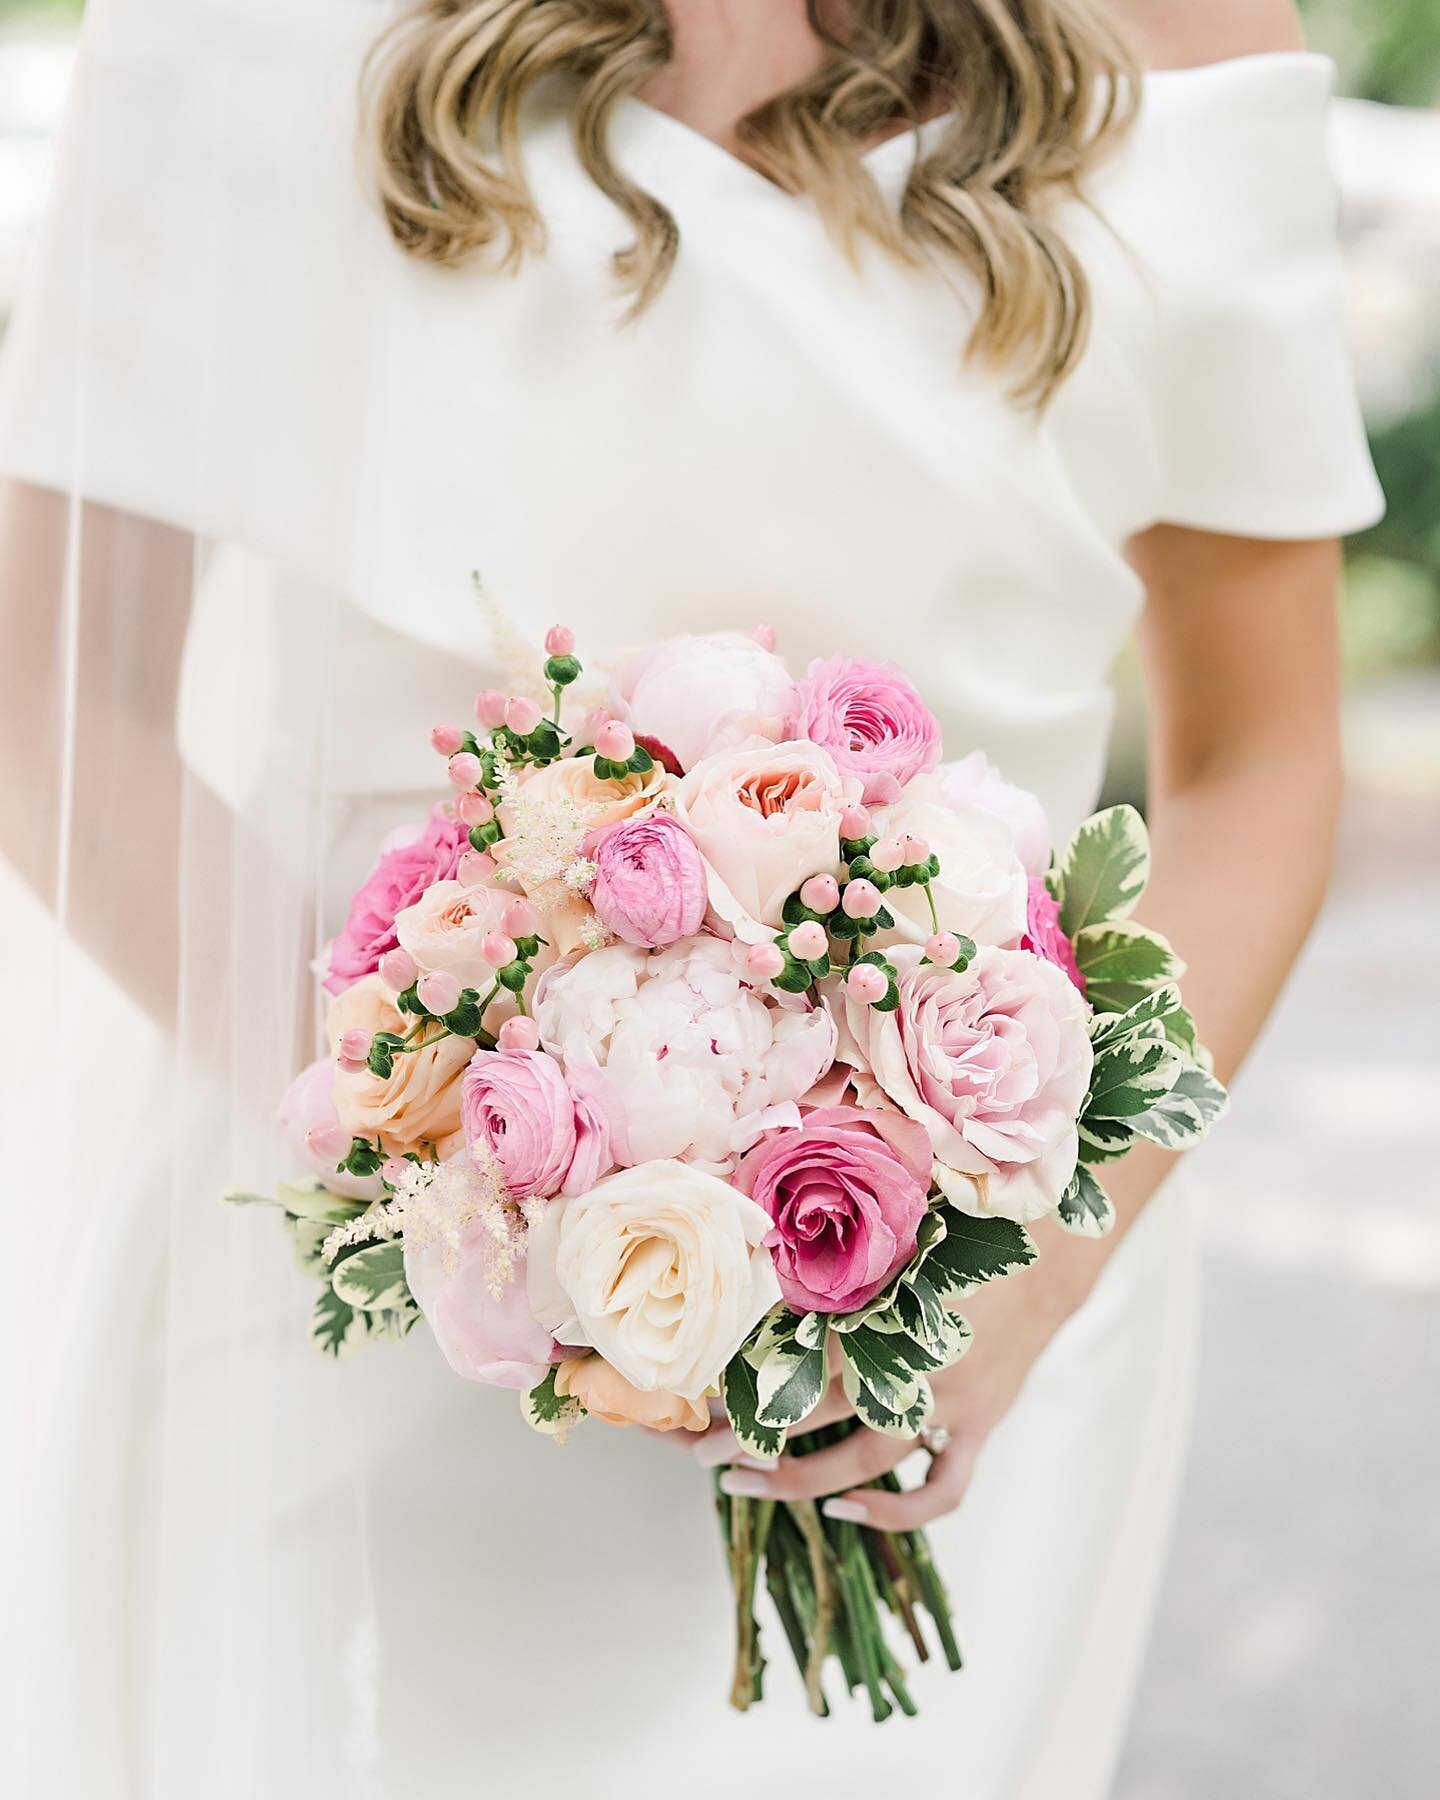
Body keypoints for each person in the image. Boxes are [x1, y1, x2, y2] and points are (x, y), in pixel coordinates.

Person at [0, 2, 1382, 1796]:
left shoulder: (1187, 31)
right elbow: (50, 691)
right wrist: (463, 1171)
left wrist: (1030, 1285)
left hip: (931, 1337)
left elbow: (1256, 761)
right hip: (342, 1297)